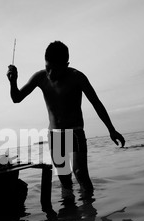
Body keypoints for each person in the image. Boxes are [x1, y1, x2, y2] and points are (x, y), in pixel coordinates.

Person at [7, 41, 125, 201]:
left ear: (66, 65)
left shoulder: (77, 77)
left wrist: (111, 129)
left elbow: (96, 103)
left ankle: (89, 210)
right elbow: (16, 98)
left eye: (55, 69)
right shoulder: (40, 77)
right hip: (54, 134)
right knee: (64, 178)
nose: (50, 72)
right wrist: (13, 81)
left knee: (80, 173)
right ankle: (72, 217)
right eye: (48, 66)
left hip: (75, 132)